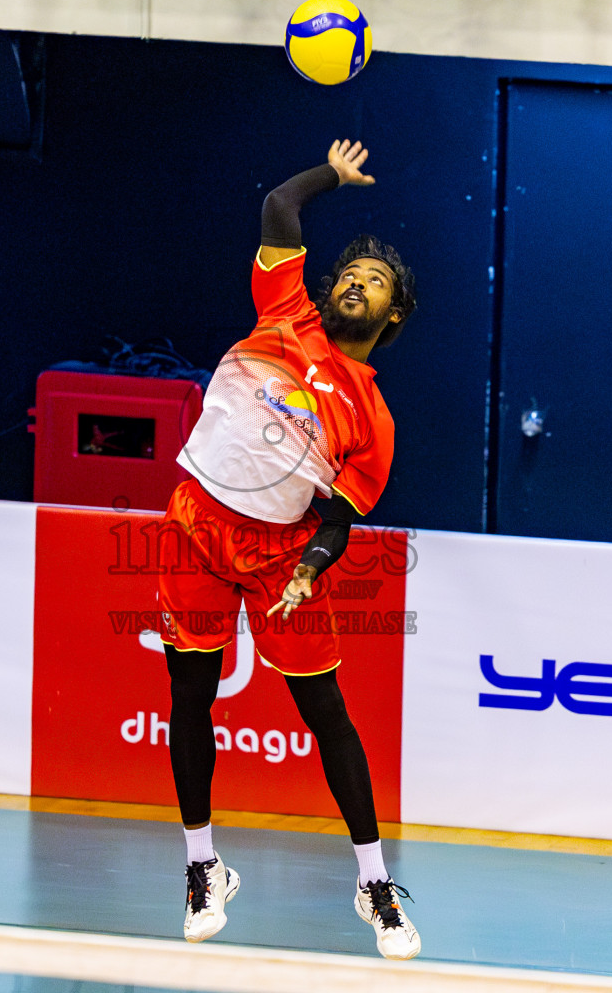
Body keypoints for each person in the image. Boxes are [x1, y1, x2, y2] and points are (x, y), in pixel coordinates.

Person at [156, 139, 420, 960]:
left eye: (374, 281)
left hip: (280, 559)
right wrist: (331, 177)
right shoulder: (286, 314)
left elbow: (338, 519)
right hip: (196, 524)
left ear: (393, 316)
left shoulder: (370, 423)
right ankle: (204, 867)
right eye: (350, 273)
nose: (353, 282)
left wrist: (311, 567)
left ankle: (374, 883)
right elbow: (279, 209)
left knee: (325, 714)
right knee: (190, 695)